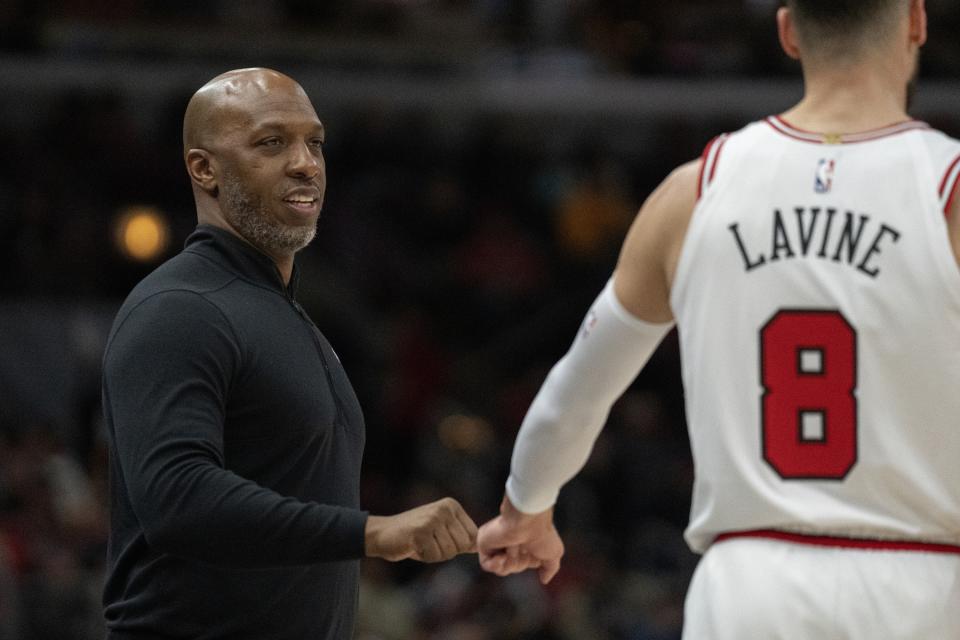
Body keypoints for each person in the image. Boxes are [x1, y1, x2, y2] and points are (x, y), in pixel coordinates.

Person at [477, 1, 960, 637]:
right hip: (917, 585)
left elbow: (580, 384)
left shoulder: (695, 189)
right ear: (918, 22)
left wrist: (525, 506)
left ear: (787, 32)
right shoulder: (948, 187)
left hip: (745, 586)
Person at [100, 68, 478, 640]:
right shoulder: (179, 308)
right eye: (271, 142)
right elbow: (178, 498)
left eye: (315, 142)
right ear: (204, 169)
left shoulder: (287, 315)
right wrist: (372, 532)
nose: (306, 163)